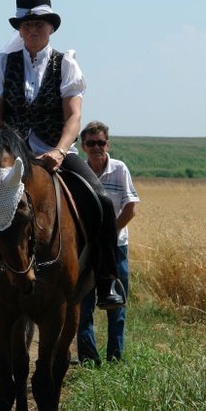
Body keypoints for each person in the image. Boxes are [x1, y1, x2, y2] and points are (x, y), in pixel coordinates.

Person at [0, 0, 124, 315]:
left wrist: (59, 151)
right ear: (20, 30)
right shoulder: (5, 64)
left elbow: (73, 116)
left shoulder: (65, 63)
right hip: (10, 153)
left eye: (38, 25)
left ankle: (106, 279)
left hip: (52, 151)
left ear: (50, 29)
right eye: (27, 25)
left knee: (100, 201)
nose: (32, 30)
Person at [77, 121, 139, 364]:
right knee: (83, 307)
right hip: (84, 248)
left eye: (100, 142)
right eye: (91, 143)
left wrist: (108, 234)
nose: (96, 147)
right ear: (83, 146)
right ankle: (88, 360)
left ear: (107, 144)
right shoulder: (79, 170)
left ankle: (115, 359)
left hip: (115, 248)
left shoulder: (119, 169)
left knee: (116, 305)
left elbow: (131, 207)